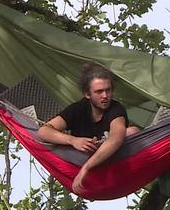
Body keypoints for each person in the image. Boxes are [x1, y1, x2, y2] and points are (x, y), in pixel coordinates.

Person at [37, 63, 139, 194]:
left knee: (132, 132)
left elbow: (116, 138)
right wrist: (73, 140)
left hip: (111, 163)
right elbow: (43, 131)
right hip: (77, 161)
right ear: (87, 94)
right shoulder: (78, 108)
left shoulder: (116, 109)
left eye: (108, 90)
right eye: (99, 92)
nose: (105, 96)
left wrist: (86, 168)